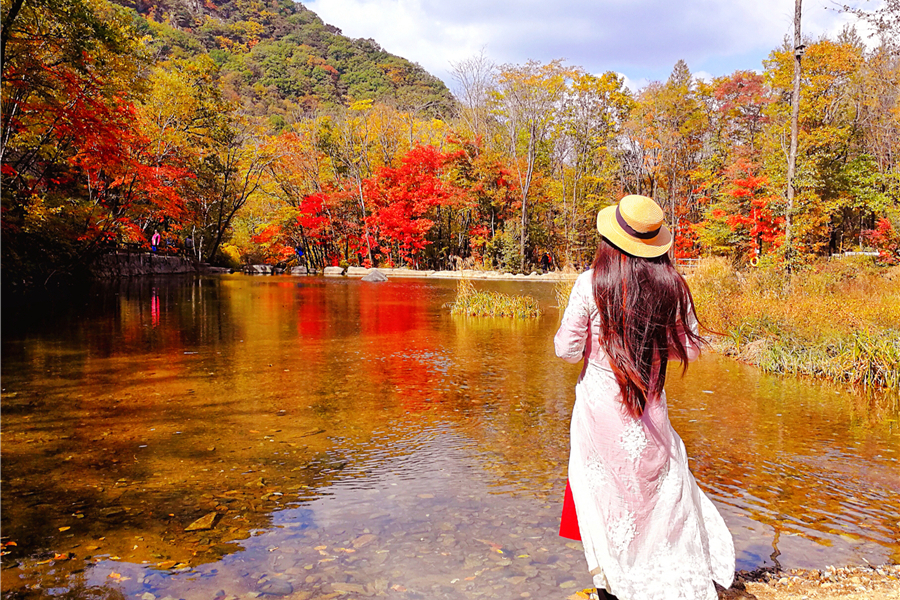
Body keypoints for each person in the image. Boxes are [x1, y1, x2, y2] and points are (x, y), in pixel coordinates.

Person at [554, 194, 734, 600]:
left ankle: (613, 585)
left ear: (610, 240)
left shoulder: (589, 284)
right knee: (655, 493)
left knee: (606, 497)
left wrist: (596, 348)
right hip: (649, 411)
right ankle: (660, 578)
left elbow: (565, 350)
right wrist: (649, 345)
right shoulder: (673, 288)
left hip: (600, 416)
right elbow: (688, 350)